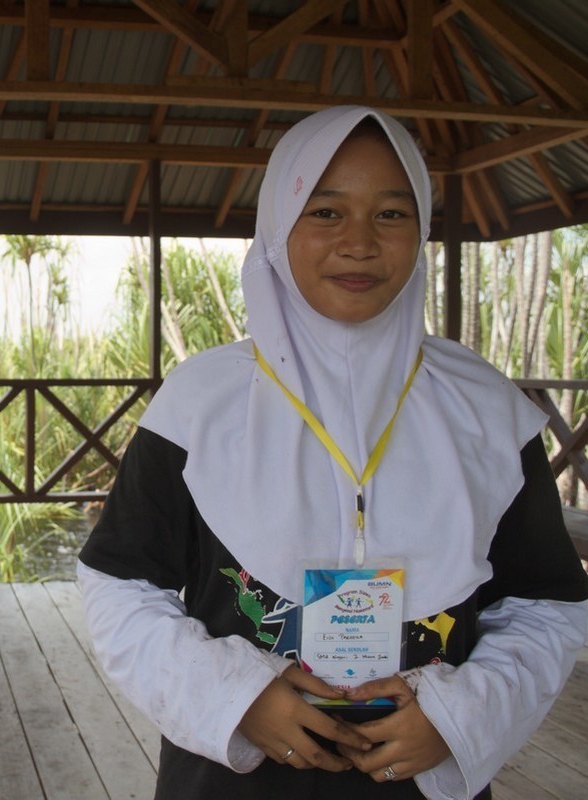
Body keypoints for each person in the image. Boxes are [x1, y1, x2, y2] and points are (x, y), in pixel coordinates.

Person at [77, 105, 588, 799]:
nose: (359, 243)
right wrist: (238, 698)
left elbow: (544, 603)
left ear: (423, 226)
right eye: (324, 212)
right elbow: (118, 584)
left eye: (390, 214)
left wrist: (457, 718)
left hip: (419, 777)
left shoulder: (486, 411)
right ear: (278, 223)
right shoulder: (200, 406)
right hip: (233, 782)